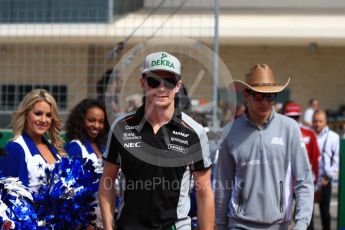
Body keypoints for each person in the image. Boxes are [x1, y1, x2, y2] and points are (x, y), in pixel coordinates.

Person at [99, 51, 214, 230]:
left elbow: (204, 191)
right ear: (143, 83)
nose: (161, 88)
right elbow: (107, 181)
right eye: (154, 81)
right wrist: (108, 227)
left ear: (178, 86)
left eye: (169, 81)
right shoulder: (121, 126)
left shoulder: (194, 132)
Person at [215, 64, 314, 230]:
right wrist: (220, 223)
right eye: (259, 96)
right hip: (238, 225)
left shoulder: (290, 128)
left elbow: (304, 180)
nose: (266, 102)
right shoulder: (229, 132)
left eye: (271, 96)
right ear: (246, 94)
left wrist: (302, 223)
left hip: (279, 224)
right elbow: (222, 184)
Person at [0, 89, 65, 192]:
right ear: (26, 114)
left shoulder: (51, 146)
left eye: (48, 115)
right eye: (38, 113)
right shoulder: (15, 148)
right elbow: (13, 199)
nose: (44, 120)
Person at [283, 101, 320, 230]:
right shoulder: (277, 132)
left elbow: (315, 159)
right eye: (290, 117)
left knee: (306, 216)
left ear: (299, 116)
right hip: (285, 183)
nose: (293, 120)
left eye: (296, 117)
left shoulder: (309, 133)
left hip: (302, 181)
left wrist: (315, 182)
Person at [312, 110, 339, 230]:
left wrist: (328, 177)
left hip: (325, 181)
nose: (317, 124)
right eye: (315, 121)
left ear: (325, 121)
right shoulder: (307, 135)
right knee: (306, 215)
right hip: (309, 181)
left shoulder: (334, 137)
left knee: (325, 214)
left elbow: (337, 160)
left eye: (320, 121)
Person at [65, 98, 108, 163]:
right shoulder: (74, 146)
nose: (96, 126)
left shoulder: (102, 145)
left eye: (101, 122)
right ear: (80, 120)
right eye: (91, 120)